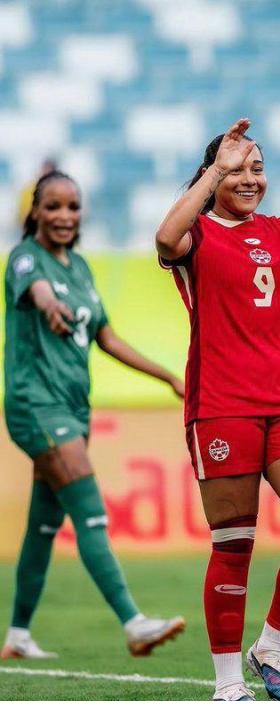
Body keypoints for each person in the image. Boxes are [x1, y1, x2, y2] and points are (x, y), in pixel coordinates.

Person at [155, 121, 280, 701]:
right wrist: (214, 171)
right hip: (221, 404)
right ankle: (227, 681)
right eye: (237, 168)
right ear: (212, 178)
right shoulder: (199, 235)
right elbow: (165, 238)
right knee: (234, 542)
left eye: (257, 168)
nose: (250, 178)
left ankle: (270, 647)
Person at [2, 170, 186, 660]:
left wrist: (166, 376)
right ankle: (134, 622)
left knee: (44, 524)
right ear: (35, 213)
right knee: (90, 509)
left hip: (71, 408)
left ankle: (18, 634)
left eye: (73, 206)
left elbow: (107, 337)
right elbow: (38, 289)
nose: (65, 216)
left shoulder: (80, 269)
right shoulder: (25, 258)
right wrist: (46, 306)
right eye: (54, 207)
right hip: (34, 403)